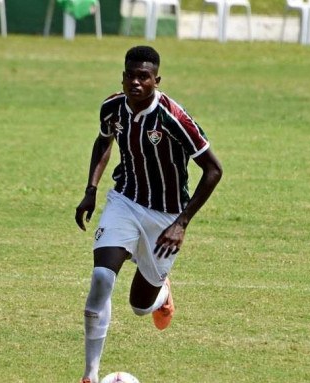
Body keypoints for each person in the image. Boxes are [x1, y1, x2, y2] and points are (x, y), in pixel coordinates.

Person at [74, 45, 223, 383]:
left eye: (144, 77)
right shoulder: (112, 107)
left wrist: (181, 223)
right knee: (100, 279)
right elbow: (103, 142)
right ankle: (90, 375)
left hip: (165, 217)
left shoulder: (174, 117)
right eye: (131, 76)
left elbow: (213, 170)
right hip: (124, 201)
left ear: (157, 80)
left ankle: (163, 293)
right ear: (123, 77)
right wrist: (91, 190)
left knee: (140, 307)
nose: (136, 83)